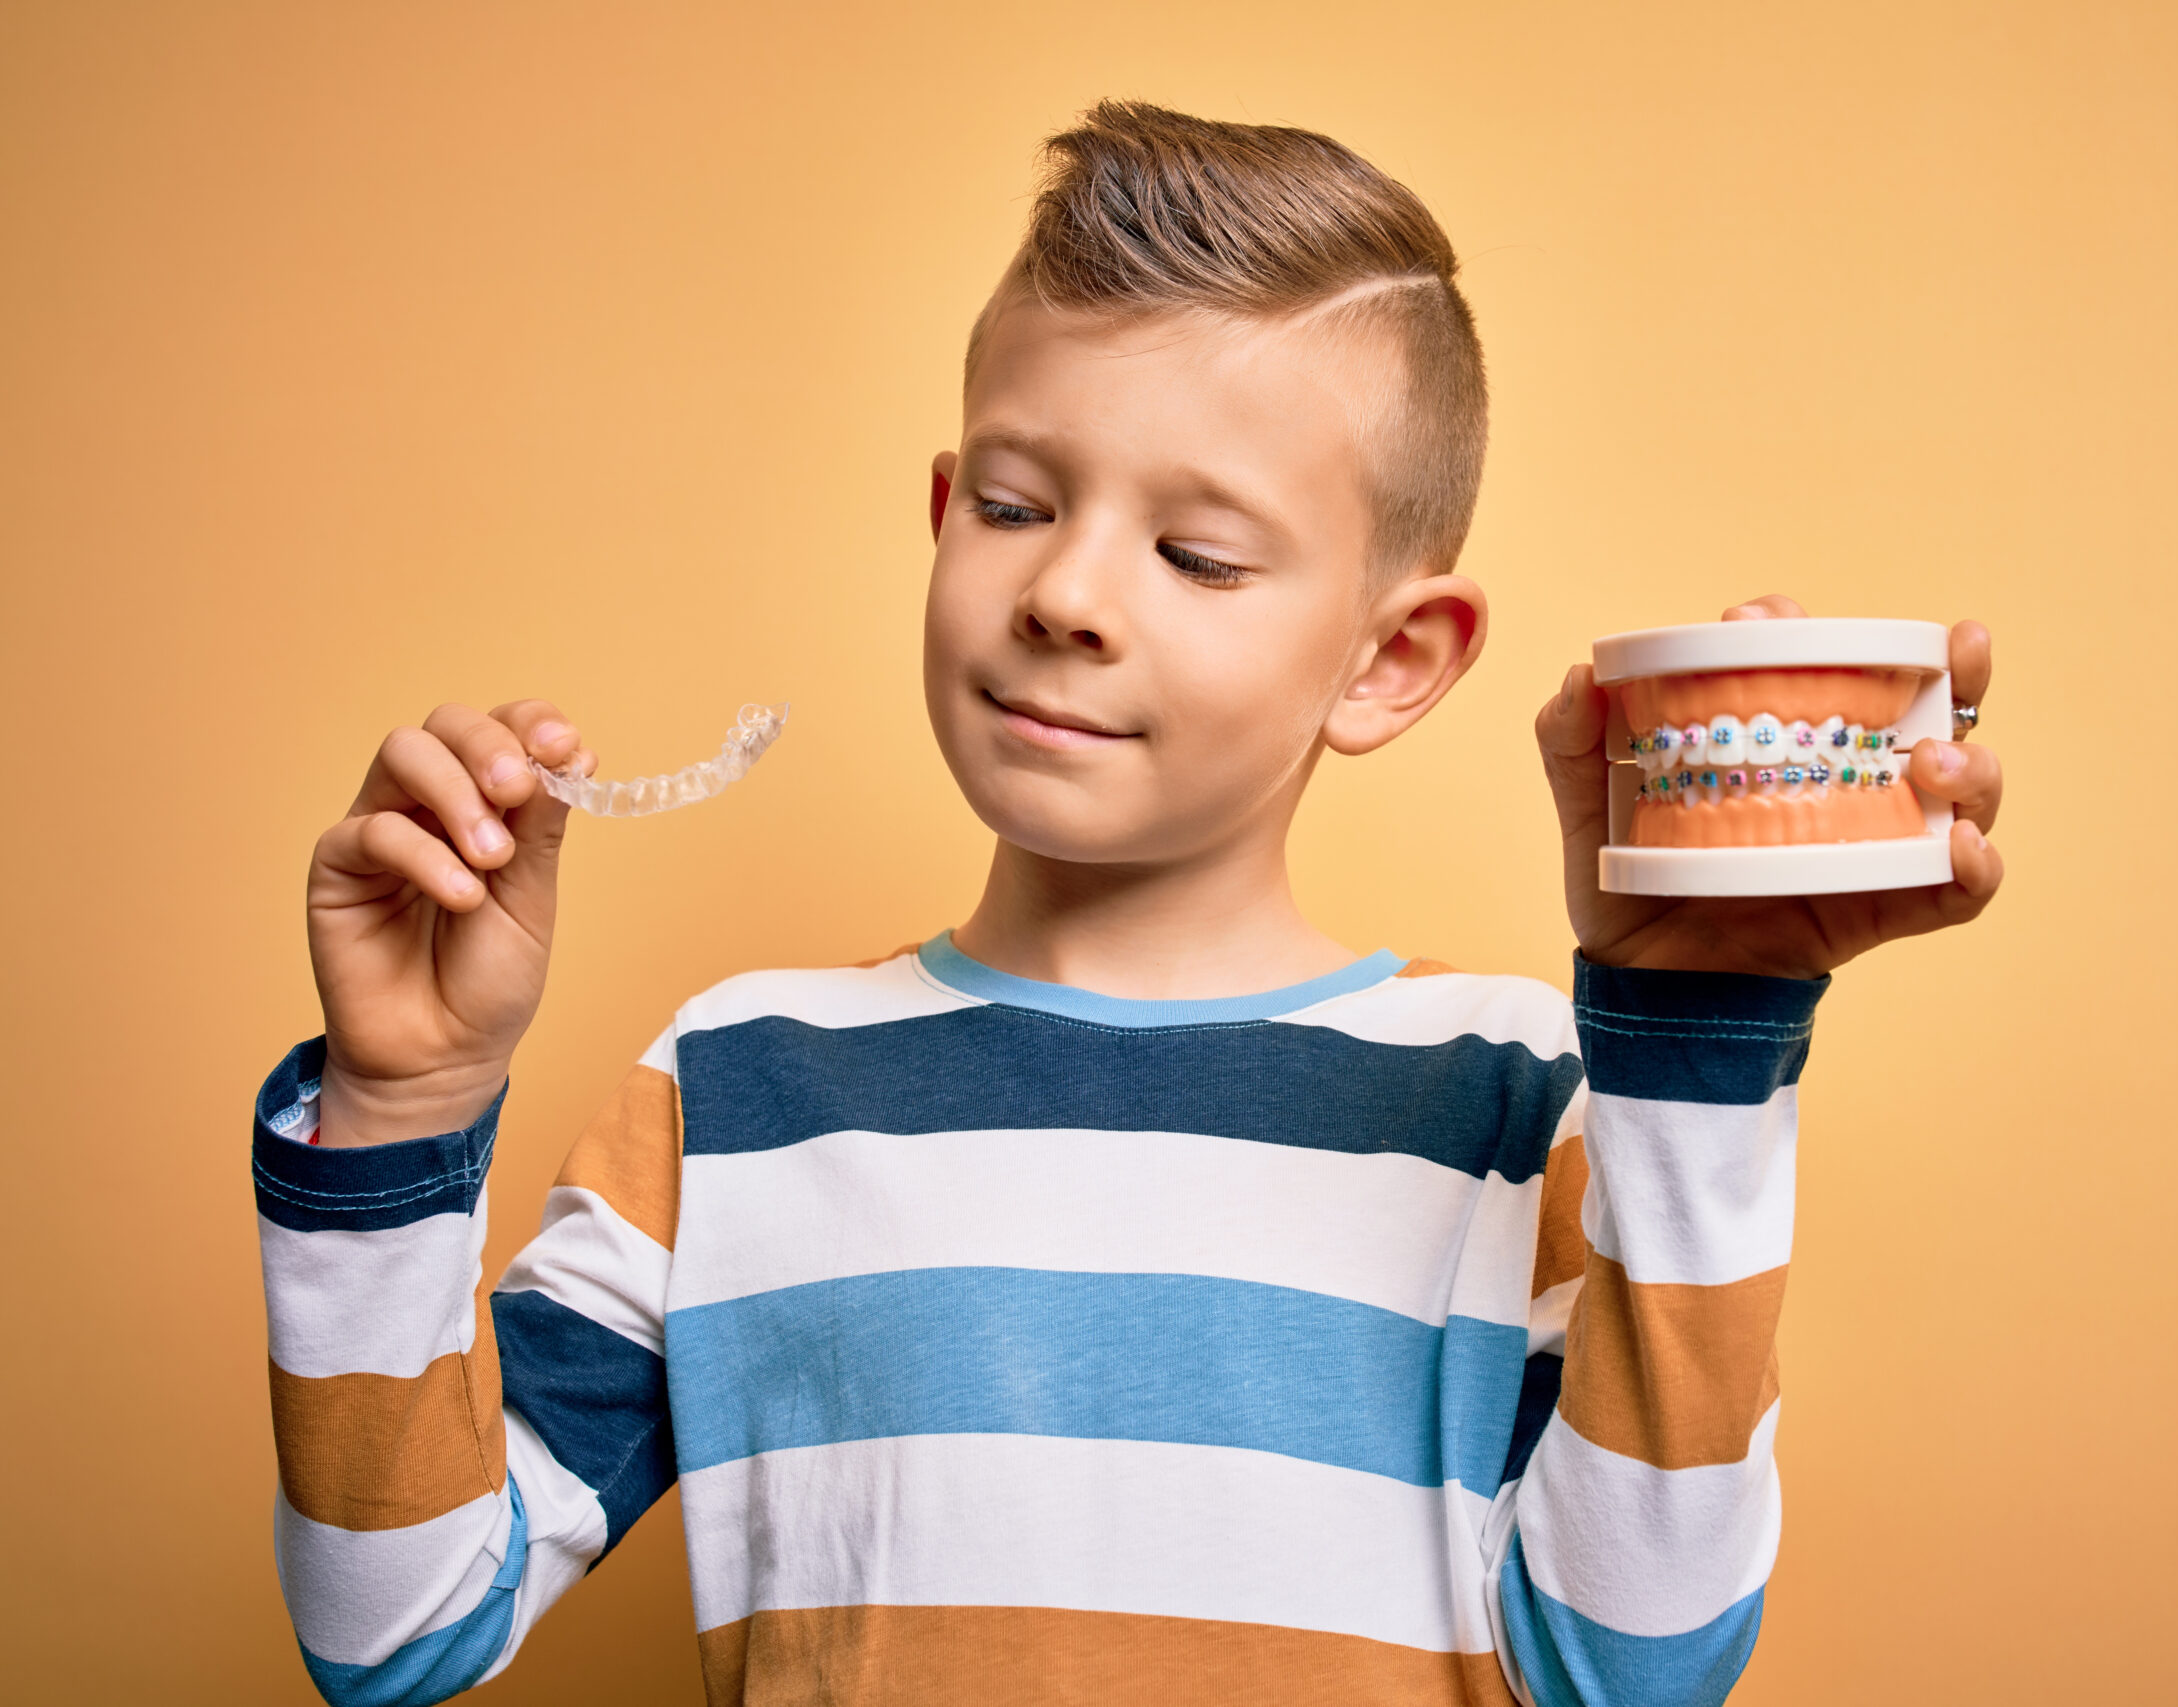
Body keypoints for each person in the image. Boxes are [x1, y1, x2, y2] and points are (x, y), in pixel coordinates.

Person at [251, 101, 2006, 1707]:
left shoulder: (1508, 1100)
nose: (1068, 594)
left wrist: (1698, 1054)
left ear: (1391, 662)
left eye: (1198, 553)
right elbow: (399, 1629)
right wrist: (399, 1110)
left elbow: (1640, 1668)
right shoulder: (736, 1090)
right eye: (1014, 506)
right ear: (942, 520)